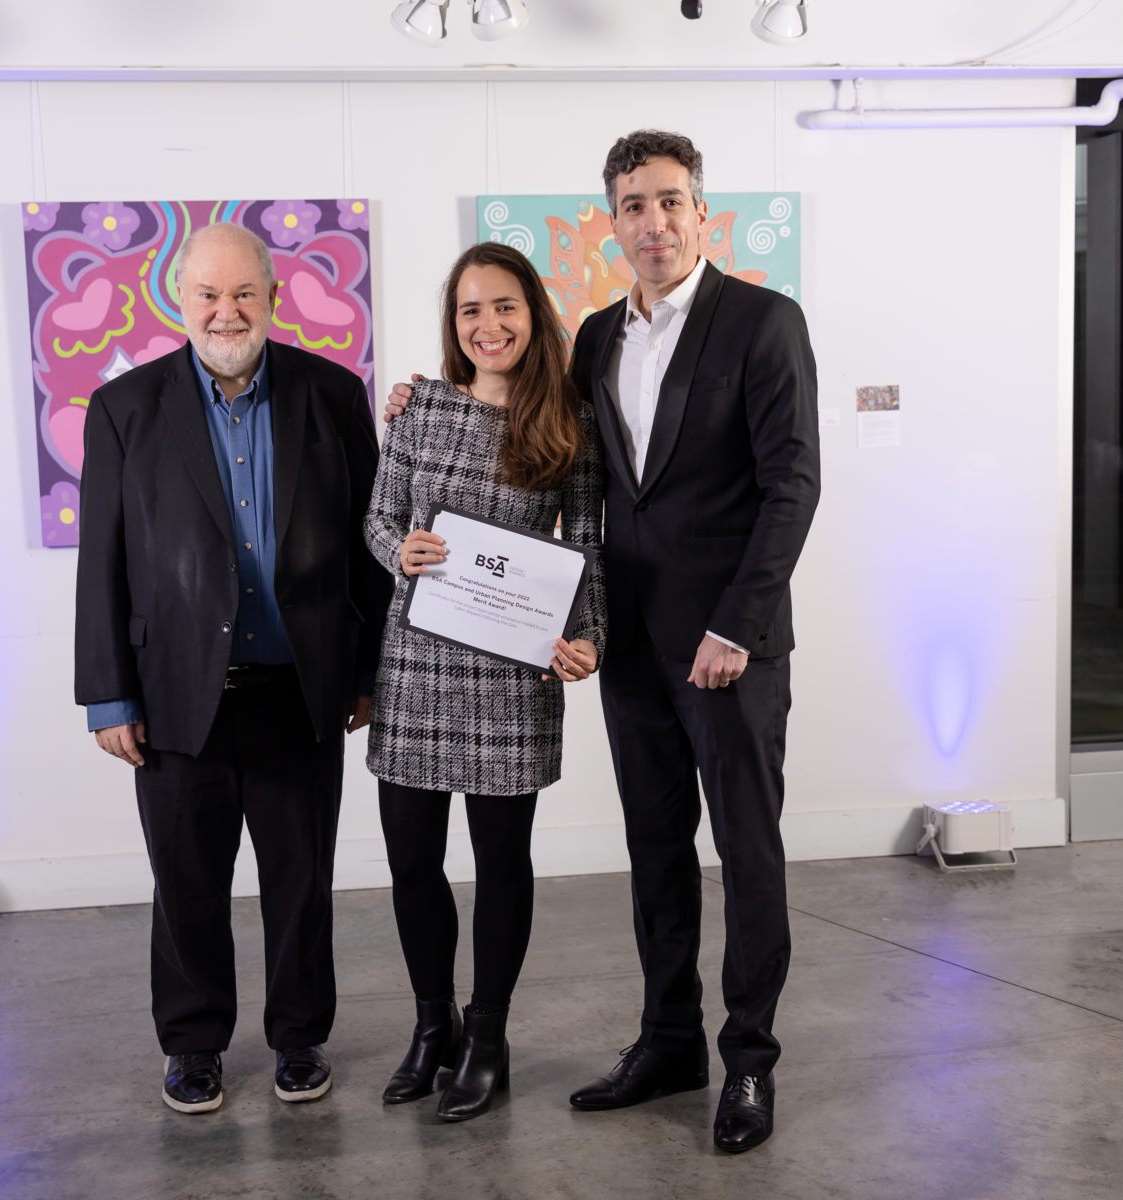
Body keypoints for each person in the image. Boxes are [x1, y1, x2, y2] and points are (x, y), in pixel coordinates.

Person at [386, 131, 820, 1153]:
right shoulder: (592, 337)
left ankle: (749, 1061)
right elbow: (549, 457)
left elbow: (791, 486)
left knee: (746, 854)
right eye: (633, 204)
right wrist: (418, 399)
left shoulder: (764, 323)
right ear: (613, 221)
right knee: (655, 851)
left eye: (670, 201)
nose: (653, 222)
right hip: (627, 646)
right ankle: (668, 1039)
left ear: (701, 212)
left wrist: (737, 626)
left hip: (728, 649)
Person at [75, 221, 392, 1116]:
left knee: (301, 880)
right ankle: (193, 1044)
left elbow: (368, 547)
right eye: (208, 295)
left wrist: (366, 669)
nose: (227, 311)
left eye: (244, 293)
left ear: (272, 297)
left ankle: (299, 1037)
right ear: (181, 303)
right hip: (176, 694)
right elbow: (100, 557)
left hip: (300, 690)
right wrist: (107, 694)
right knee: (186, 884)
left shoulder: (332, 395)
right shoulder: (125, 409)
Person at [364, 241, 605, 1122]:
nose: (487, 324)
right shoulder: (419, 407)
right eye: (470, 310)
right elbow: (379, 518)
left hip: (513, 676)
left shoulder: (568, 419)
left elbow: (586, 549)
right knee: (411, 861)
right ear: (453, 324)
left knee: (502, 864)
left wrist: (586, 639)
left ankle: (488, 1037)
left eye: (503, 306)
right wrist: (403, 552)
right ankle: (433, 1028)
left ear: (531, 315)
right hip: (416, 664)